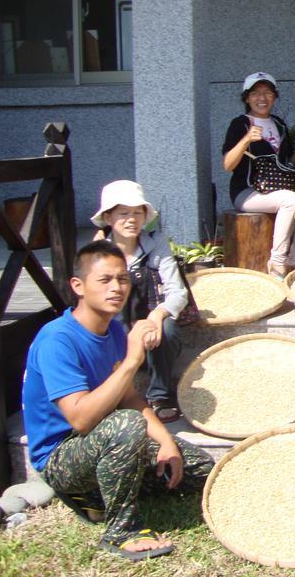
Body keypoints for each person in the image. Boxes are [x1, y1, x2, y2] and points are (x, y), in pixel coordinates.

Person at [22, 241, 214, 561]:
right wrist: (131, 361)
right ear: (78, 286)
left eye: (123, 279)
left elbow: (129, 396)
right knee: (127, 424)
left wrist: (166, 442)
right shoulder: (58, 340)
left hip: (103, 440)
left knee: (198, 468)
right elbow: (81, 420)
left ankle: (99, 495)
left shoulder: (111, 329)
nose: (117, 288)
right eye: (105, 280)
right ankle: (121, 530)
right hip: (62, 455)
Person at [92, 180, 189, 423]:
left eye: (138, 213)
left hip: (152, 333)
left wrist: (156, 316)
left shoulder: (156, 243)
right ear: (108, 217)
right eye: (123, 213)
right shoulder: (97, 251)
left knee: (166, 327)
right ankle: (109, 394)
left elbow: (177, 292)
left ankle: (160, 394)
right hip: (116, 328)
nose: (131, 219)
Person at [221, 71, 295, 278]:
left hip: (275, 190)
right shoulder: (240, 124)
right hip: (247, 193)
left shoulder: (279, 124)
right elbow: (227, 164)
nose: (262, 98)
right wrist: (245, 140)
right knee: (290, 199)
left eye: (268, 93)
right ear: (246, 97)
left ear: (275, 96)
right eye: (255, 93)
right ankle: (278, 263)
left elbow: (286, 165)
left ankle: (294, 262)